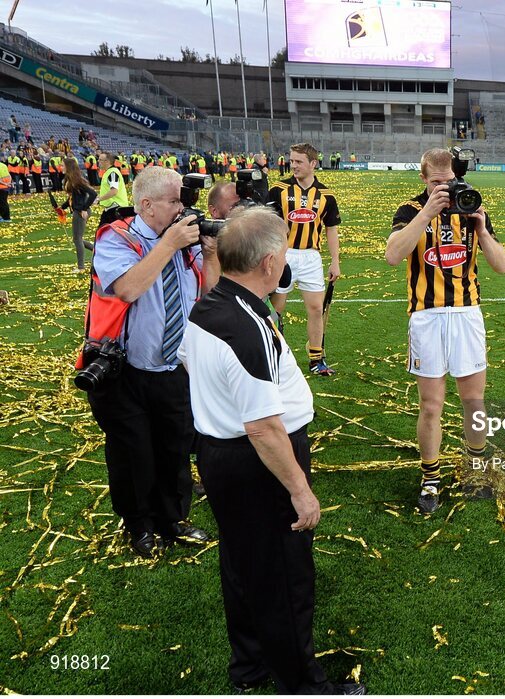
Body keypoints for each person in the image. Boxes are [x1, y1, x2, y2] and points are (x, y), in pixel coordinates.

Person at [179, 207, 365, 695]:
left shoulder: (211, 305)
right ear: (266, 263)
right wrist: (301, 491)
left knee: (242, 563)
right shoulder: (245, 326)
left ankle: (249, 666)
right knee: (284, 576)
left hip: (220, 455)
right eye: (282, 251)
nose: (287, 258)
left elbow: (189, 364)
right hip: (256, 462)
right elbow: (263, 428)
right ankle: (302, 684)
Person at [84, 166, 218, 558]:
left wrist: (208, 256)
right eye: (175, 200)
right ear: (146, 205)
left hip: (173, 367)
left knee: (174, 447)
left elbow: (208, 294)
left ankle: (173, 518)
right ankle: (139, 525)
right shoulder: (118, 237)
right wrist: (169, 245)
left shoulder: (184, 241)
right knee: (133, 453)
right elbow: (127, 288)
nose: (183, 208)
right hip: (123, 370)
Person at [386, 147, 505, 513]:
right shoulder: (410, 209)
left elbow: (501, 266)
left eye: (450, 180)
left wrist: (482, 230)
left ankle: (475, 467)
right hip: (426, 316)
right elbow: (393, 255)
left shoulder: (470, 205)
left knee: (473, 401)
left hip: (467, 313)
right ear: (423, 179)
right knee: (431, 405)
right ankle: (430, 477)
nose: (445, 188)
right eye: (437, 182)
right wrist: (427, 213)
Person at [266, 143, 342, 376]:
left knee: (316, 308)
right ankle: (274, 354)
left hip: (311, 256)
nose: (293, 165)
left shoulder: (326, 195)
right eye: (292, 161)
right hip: (283, 254)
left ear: (313, 164)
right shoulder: (278, 189)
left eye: (299, 161)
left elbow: (331, 229)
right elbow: (267, 224)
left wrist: (335, 261)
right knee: (275, 310)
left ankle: (316, 359)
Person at [60, 157, 97, 271]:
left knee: (77, 239)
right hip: (77, 210)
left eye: (63, 165)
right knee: (77, 239)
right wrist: (62, 207)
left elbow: (93, 194)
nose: (61, 167)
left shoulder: (77, 180)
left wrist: (84, 208)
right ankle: (98, 251)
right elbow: (73, 197)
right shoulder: (70, 179)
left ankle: (81, 267)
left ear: (68, 167)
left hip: (80, 212)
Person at [95, 152, 131, 225]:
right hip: (111, 207)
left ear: (107, 162)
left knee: (106, 233)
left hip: (116, 208)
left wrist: (99, 199)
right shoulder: (110, 172)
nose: (98, 161)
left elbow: (114, 191)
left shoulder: (112, 173)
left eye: (100, 160)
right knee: (103, 232)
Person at [0, 155, 10, 222]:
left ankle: (6, 218)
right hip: (6, 187)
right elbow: (9, 175)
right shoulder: (4, 165)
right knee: (4, 203)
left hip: (1, 187)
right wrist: (8, 183)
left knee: (2, 203)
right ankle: (4, 217)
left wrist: (5, 184)